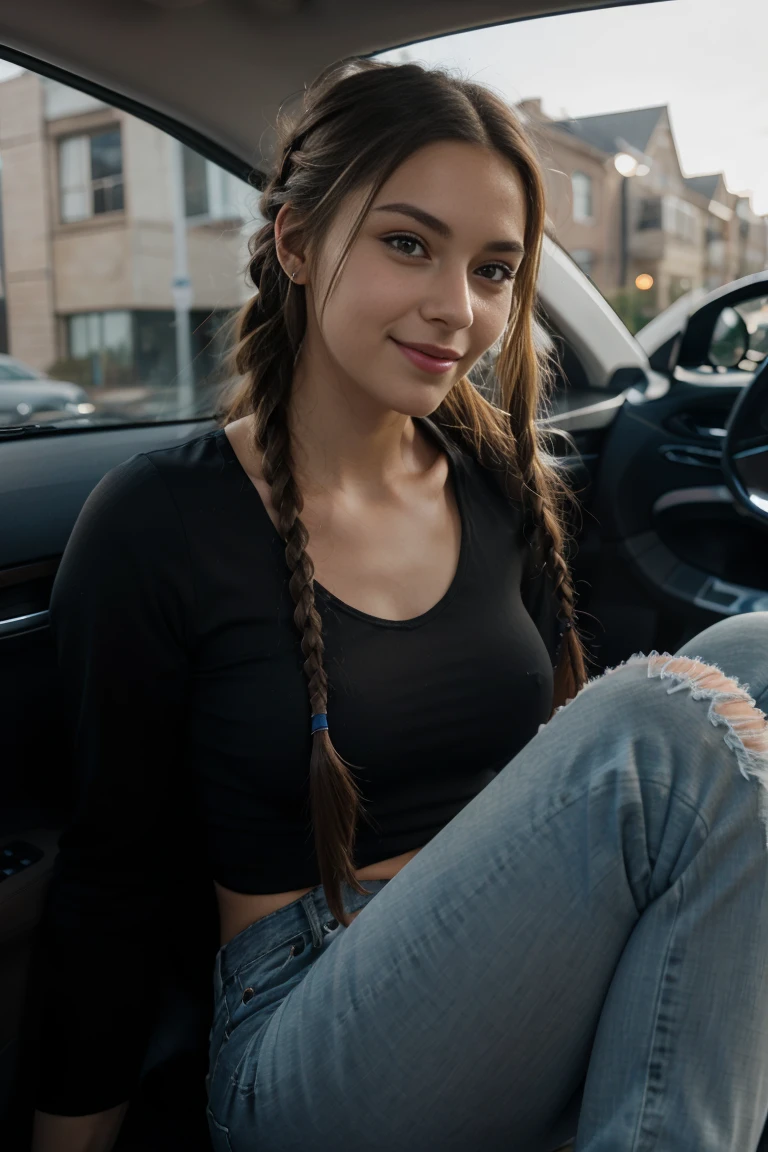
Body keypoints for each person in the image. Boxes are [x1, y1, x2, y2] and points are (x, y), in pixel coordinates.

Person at [29, 58, 768, 1152]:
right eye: (408, 243)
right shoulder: (160, 523)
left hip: (521, 973)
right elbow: (109, 884)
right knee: (671, 729)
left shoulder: (496, 478)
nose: (457, 310)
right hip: (303, 1030)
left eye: (495, 269)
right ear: (294, 243)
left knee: (757, 650)